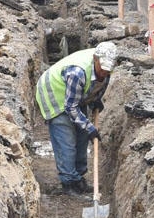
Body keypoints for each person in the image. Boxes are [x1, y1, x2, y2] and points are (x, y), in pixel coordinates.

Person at [35, 42, 118, 197]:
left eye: (108, 71)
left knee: (82, 136)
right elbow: (70, 107)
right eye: (102, 68)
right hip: (54, 94)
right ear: (95, 59)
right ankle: (68, 182)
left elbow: (97, 84)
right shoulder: (77, 72)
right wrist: (90, 127)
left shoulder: (106, 67)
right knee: (66, 140)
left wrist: (95, 99)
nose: (104, 73)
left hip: (74, 96)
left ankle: (78, 178)